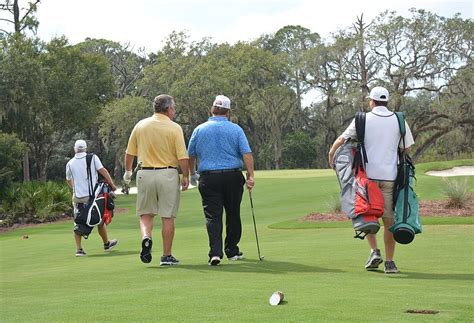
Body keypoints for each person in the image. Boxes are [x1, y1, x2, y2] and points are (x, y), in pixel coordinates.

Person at [328, 86, 414, 274]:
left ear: (372, 102)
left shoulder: (363, 119)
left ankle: (374, 251)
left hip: (366, 179)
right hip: (390, 178)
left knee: (365, 214)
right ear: (387, 101)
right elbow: (406, 148)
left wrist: (331, 153)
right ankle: (390, 263)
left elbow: (342, 139)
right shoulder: (399, 119)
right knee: (388, 220)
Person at [188, 95, 255, 266]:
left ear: (212, 108)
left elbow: (191, 155)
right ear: (228, 111)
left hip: (209, 178)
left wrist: (191, 174)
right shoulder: (236, 129)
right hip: (232, 176)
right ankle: (232, 250)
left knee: (213, 216)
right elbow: (246, 153)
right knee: (233, 213)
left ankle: (215, 253)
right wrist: (250, 175)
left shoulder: (199, 129)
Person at [123, 94, 189, 266]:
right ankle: (166, 256)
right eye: (173, 108)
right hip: (167, 174)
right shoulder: (174, 128)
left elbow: (129, 153)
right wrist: (186, 175)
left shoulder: (141, 125)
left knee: (146, 214)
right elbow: (182, 156)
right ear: (168, 109)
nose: (174, 111)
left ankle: (146, 237)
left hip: (145, 173)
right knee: (167, 216)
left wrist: (128, 172)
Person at [66, 139, 118, 257]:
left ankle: (80, 249)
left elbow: (68, 179)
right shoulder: (92, 158)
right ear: (85, 148)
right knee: (98, 219)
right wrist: (112, 184)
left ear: (75, 149)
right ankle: (106, 244)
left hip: (78, 197)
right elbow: (103, 171)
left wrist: (75, 188)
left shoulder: (70, 163)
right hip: (92, 196)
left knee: (79, 220)